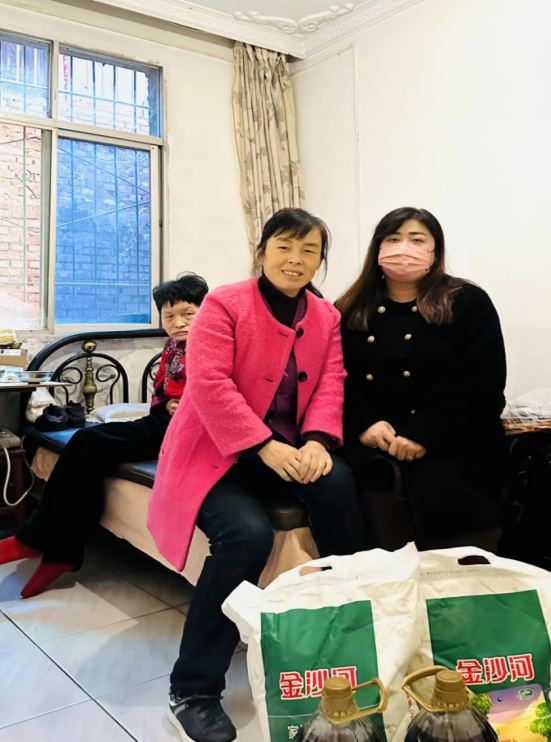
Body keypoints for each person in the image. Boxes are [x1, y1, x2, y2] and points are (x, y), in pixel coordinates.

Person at [147, 208, 370, 742]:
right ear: (262, 250)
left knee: (339, 485)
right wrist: (262, 445)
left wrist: (317, 440)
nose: (296, 259)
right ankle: (192, 690)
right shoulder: (225, 302)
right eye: (285, 246)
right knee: (246, 535)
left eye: (309, 250)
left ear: (320, 260)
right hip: (215, 452)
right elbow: (208, 381)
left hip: (289, 447)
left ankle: (357, 641)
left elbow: (332, 380)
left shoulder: (325, 315)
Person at [0, 272, 209, 597]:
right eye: (169, 316)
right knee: (87, 447)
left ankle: (39, 543)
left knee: (87, 442)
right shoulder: (172, 345)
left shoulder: (214, 343)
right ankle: (59, 552)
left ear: (206, 310)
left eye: (188, 313)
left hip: (189, 430)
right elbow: (163, 391)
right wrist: (167, 402)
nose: (178, 322)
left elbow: (221, 390)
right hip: (165, 421)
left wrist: (187, 405)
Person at [336, 207, 507, 552]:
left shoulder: (467, 301)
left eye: (417, 240)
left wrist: (422, 433)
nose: (404, 249)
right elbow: (337, 380)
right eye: (393, 238)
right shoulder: (350, 308)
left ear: (435, 250)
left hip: (454, 453)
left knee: (460, 569)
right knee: (386, 566)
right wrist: (365, 423)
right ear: (378, 248)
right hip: (377, 457)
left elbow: (482, 382)